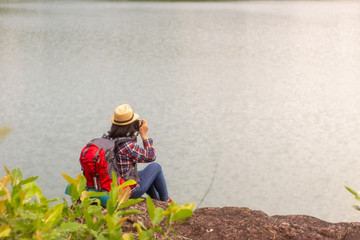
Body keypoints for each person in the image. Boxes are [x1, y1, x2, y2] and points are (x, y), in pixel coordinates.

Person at [107, 104, 171, 202]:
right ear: (130, 125)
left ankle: (157, 201)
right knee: (155, 167)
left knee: (148, 174)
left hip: (116, 185)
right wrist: (144, 134)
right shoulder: (127, 145)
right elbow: (151, 156)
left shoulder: (110, 140)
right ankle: (166, 201)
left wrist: (132, 133)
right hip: (129, 191)